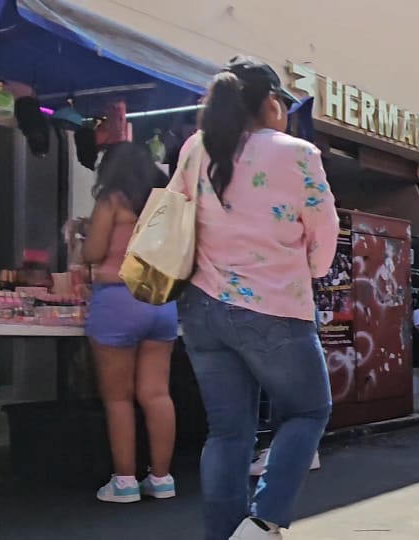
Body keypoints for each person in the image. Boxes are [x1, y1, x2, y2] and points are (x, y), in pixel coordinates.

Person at [174, 56, 339, 540]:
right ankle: (263, 521)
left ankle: (227, 534)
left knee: (228, 432)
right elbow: (324, 235)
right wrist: (306, 272)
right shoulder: (297, 152)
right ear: (270, 102)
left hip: (200, 307)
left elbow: (177, 216)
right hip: (273, 306)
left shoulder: (193, 149)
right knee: (308, 410)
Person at [82, 142, 178, 503]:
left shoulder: (112, 199)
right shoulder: (166, 203)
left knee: (118, 398)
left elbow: (93, 252)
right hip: (161, 299)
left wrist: (81, 239)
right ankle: (162, 478)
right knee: (156, 393)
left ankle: (124, 481)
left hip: (119, 297)